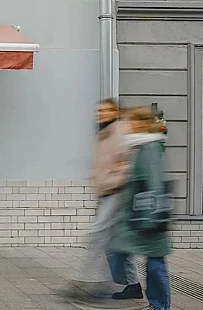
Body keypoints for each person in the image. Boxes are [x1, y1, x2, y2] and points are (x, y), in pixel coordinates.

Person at [69, 99, 140, 303]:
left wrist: (110, 181)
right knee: (115, 242)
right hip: (106, 192)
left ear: (115, 112)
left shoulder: (121, 132)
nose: (100, 113)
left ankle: (88, 281)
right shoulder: (104, 133)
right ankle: (133, 285)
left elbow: (126, 165)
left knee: (97, 234)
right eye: (99, 110)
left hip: (116, 192)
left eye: (105, 110)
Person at [108, 106, 171, 310]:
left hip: (148, 216)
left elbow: (154, 183)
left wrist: (152, 219)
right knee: (146, 259)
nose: (129, 124)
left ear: (143, 123)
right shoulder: (137, 145)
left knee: (155, 263)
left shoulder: (149, 147)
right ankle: (148, 297)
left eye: (132, 121)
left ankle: (160, 305)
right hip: (138, 213)